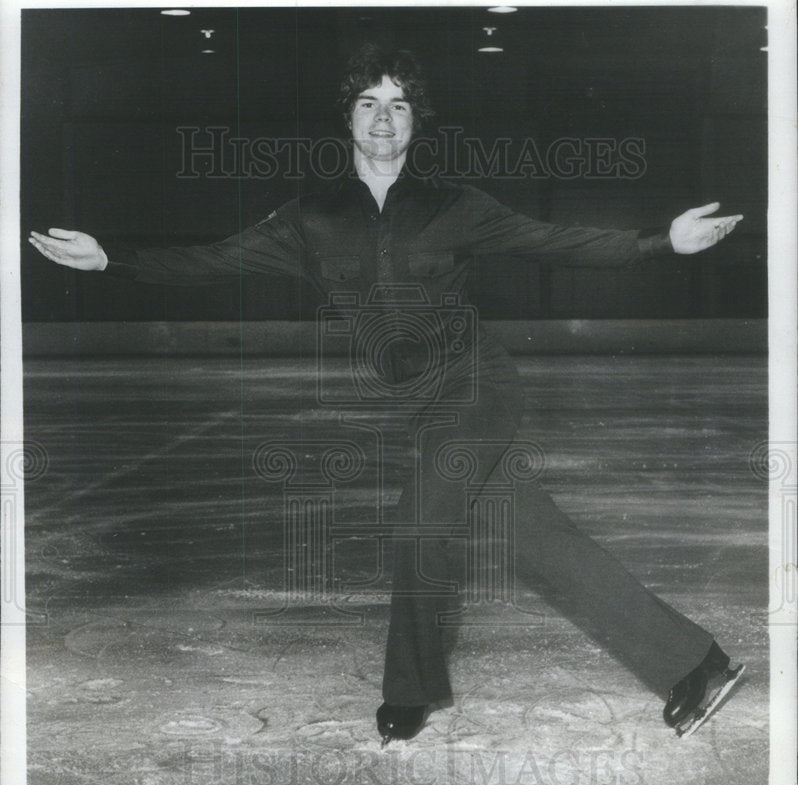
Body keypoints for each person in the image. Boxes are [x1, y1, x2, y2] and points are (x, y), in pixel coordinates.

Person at [29, 44, 745, 744]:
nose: (383, 117)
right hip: (419, 402)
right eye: (369, 103)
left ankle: (410, 691)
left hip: (476, 385)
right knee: (535, 540)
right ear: (348, 118)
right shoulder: (308, 219)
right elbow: (208, 260)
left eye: (398, 104)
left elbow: (557, 240)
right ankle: (697, 665)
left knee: (419, 524)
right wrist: (109, 258)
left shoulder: (455, 206)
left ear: (414, 122)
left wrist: (660, 242)